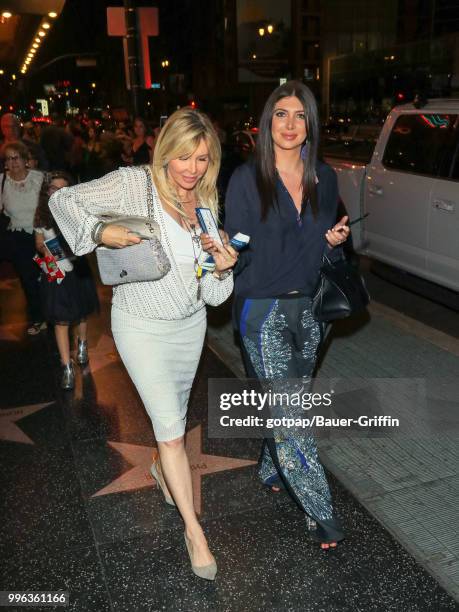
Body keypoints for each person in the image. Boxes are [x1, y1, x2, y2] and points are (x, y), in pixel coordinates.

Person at [49, 107, 237, 579]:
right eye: (182, 157)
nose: (191, 169)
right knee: (172, 431)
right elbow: (63, 203)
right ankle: (195, 532)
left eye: (201, 158)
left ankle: (160, 468)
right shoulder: (136, 183)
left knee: (171, 419)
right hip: (141, 327)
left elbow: (211, 295)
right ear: (163, 151)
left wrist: (223, 266)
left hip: (190, 327)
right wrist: (98, 232)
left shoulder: (206, 203)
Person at [221, 80, 350, 549]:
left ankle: (271, 464)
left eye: (299, 115)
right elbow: (235, 249)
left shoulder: (325, 177)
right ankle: (323, 514)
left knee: (289, 403)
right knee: (294, 416)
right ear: (267, 122)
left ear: (310, 123)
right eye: (281, 114)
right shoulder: (244, 179)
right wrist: (219, 257)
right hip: (263, 310)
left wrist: (334, 240)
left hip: (313, 308)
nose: (290, 124)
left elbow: (325, 236)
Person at [34, 171, 99, 390]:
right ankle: (66, 366)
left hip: (77, 270)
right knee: (61, 320)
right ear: (47, 191)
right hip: (57, 273)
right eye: (54, 189)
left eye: (64, 189)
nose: (58, 193)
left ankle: (82, 343)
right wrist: (48, 251)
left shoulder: (78, 212)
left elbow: (89, 240)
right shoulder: (42, 215)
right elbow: (38, 242)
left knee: (80, 313)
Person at [0, 141, 45, 334]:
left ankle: (57, 312)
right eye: (9, 158)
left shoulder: (39, 177)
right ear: (5, 163)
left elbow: (49, 204)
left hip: (45, 236)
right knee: (29, 279)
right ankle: (37, 318)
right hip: (18, 239)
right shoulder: (1, 181)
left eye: (16, 156)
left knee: (54, 275)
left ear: (26, 160)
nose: (13, 161)